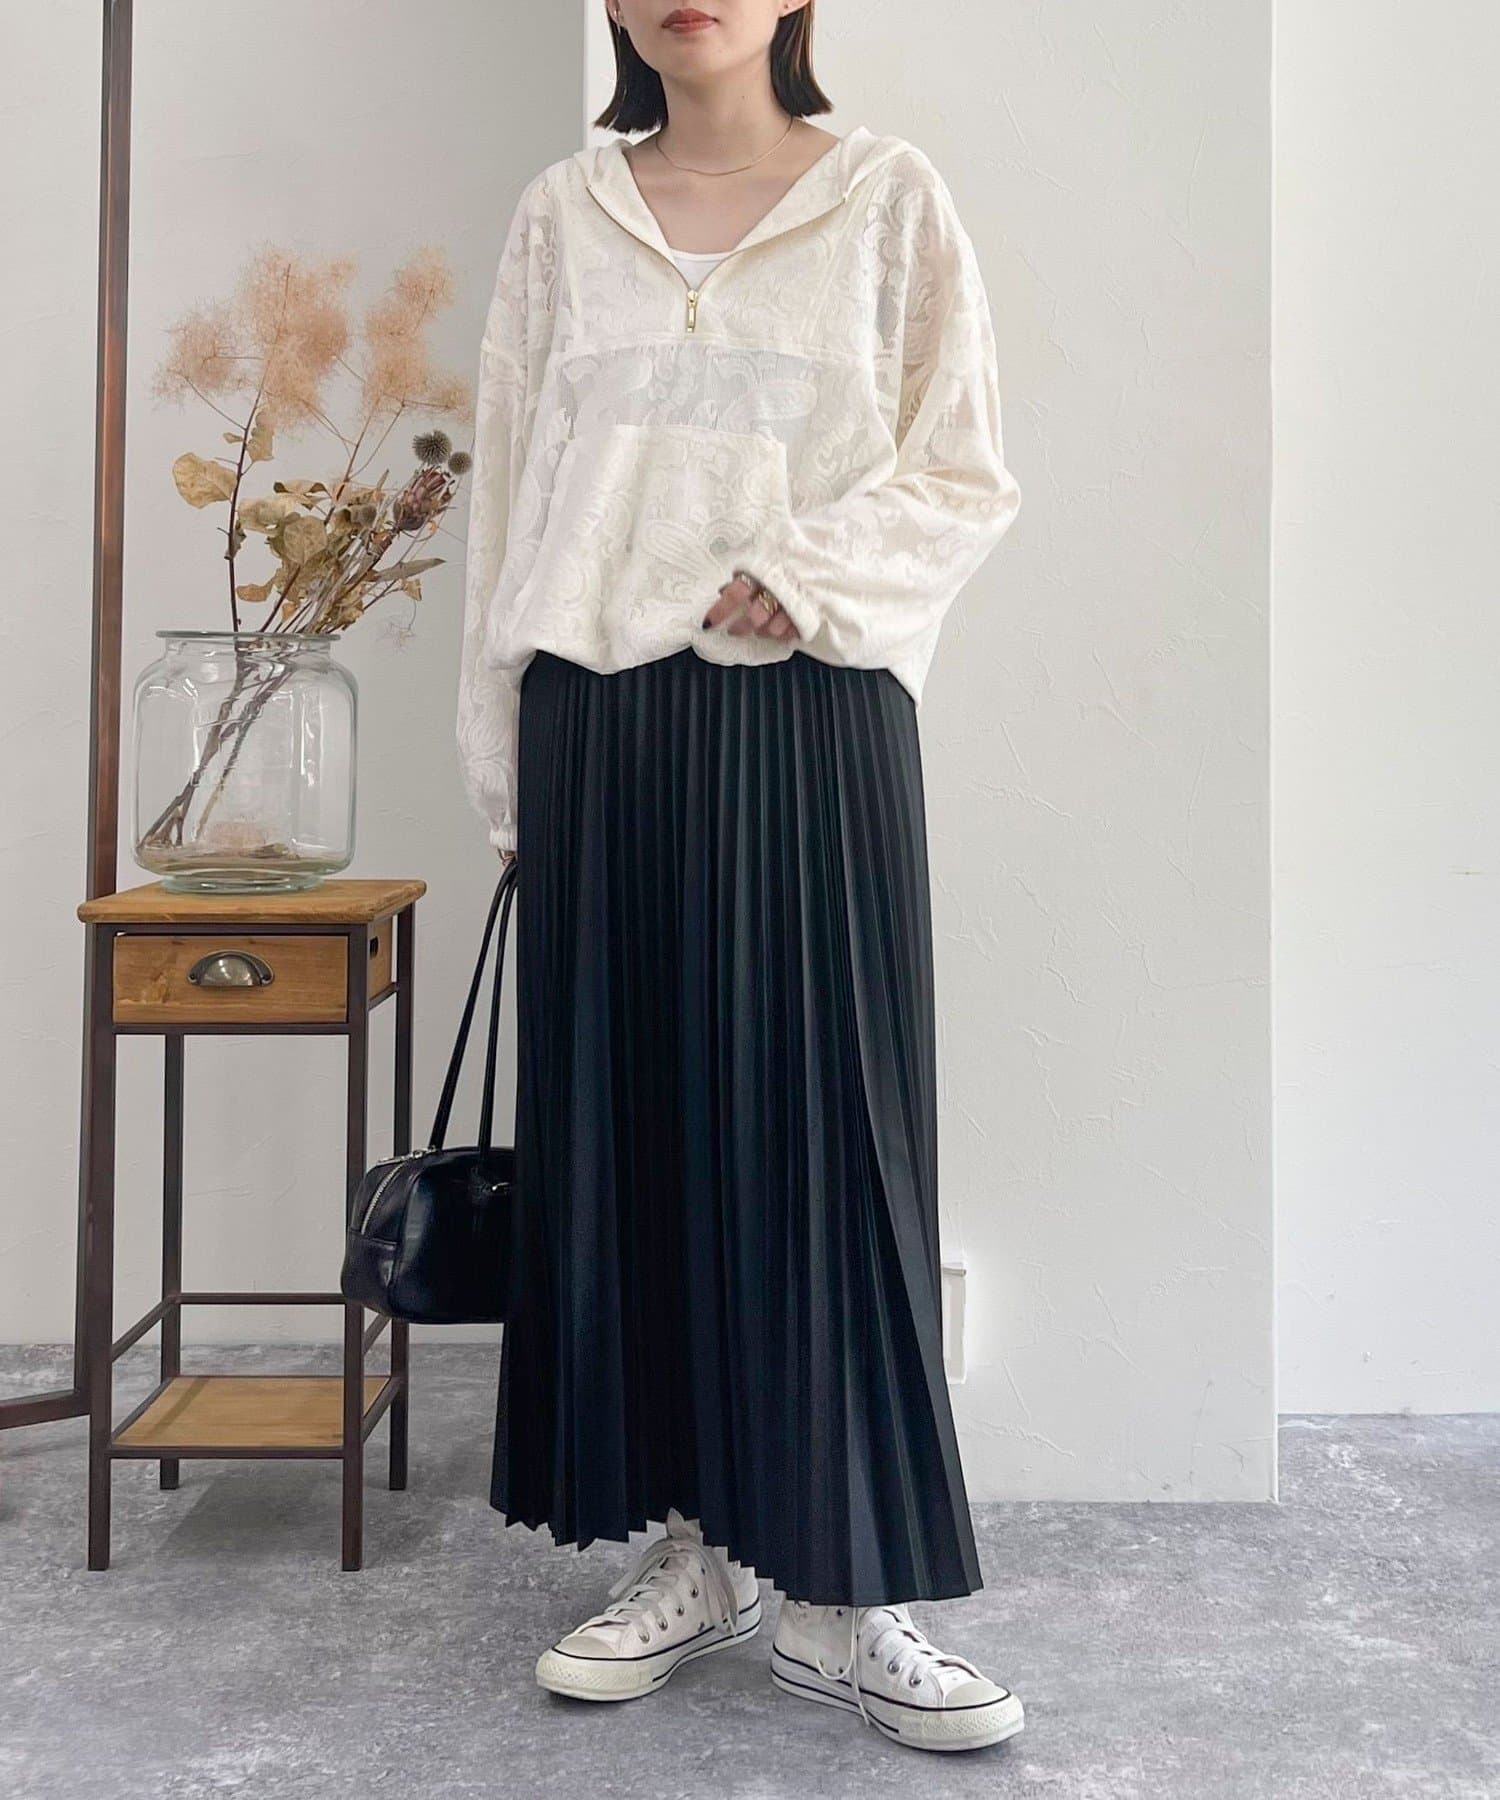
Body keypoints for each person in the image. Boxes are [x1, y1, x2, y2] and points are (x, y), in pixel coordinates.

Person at [456, 0, 1023, 1755]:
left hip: (810, 713)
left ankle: (848, 1593)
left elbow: (964, 467)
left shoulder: (887, 197)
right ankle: (697, 1552)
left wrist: (816, 572)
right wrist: (506, 778)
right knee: (639, 1135)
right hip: (601, 722)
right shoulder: (562, 215)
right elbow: (509, 503)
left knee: (828, 1136)